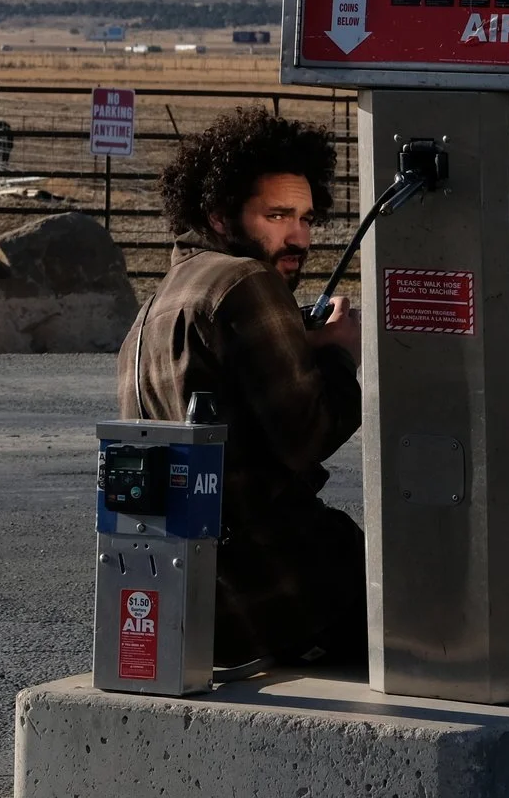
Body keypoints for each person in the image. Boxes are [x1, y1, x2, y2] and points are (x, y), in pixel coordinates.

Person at [115, 108, 365, 669]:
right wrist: (342, 354)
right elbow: (308, 433)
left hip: (196, 603)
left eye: (305, 216)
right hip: (288, 593)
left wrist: (301, 347)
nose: (297, 235)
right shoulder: (247, 281)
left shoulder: (158, 304)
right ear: (220, 216)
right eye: (276, 215)